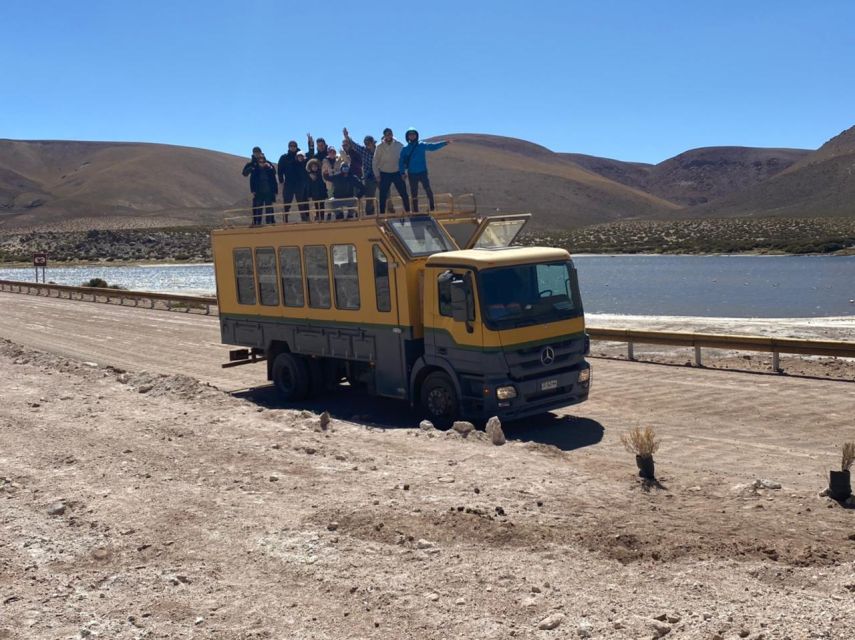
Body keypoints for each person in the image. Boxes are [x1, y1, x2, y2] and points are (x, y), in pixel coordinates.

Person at [400, 128, 451, 212]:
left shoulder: (422, 145)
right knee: (414, 192)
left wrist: (444, 143)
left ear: (416, 135)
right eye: (410, 135)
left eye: (413, 134)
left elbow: (433, 147)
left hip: (422, 172)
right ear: (407, 137)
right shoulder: (405, 148)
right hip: (412, 173)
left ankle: (432, 207)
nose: (412, 136)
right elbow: (401, 161)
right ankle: (415, 211)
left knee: (428, 189)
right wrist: (402, 172)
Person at [372, 128, 410, 214]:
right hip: (384, 173)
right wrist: (377, 175)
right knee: (383, 194)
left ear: (392, 134)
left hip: (397, 172)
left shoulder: (399, 145)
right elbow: (375, 161)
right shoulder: (379, 147)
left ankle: (408, 212)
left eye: (390, 134)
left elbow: (405, 159)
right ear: (384, 136)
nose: (388, 136)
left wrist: (404, 172)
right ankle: (382, 213)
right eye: (387, 134)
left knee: (403, 193)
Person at [277, 135, 313, 222]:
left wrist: (311, 144)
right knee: (287, 202)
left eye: (294, 146)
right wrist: (281, 181)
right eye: (291, 146)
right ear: (288, 147)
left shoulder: (301, 155)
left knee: (302, 202)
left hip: (300, 183)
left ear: (296, 146)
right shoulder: (284, 157)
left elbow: (310, 154)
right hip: (288, 183)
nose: (293, 147)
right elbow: (280, 170)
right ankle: (285, 220)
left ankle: (305, 219)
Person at [343, 128, 377, 214]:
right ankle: (370, 213)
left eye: (369, 143)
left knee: (386, 195)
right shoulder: (363, 150)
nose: (367, 145)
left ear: (373, 142)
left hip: (380, 174)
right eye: (366, 143)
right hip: (369, 177)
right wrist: (346, 136)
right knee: (369, 196)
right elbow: (353, 144)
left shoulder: (379, 150)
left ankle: (386, 212)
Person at [241, 147, 278, 225]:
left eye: (258, 152)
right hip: (257, 190)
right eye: (255, 152)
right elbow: (244, 173)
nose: (257, 154)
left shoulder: (267, 162)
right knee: (257, 207)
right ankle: (256, 222)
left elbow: (274, 173)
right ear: (253, 153)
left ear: (261, 152)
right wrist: (250, 169)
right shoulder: (251, 163)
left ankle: (271, 221)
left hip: (268, 189)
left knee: (269, 207)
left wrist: (269, 167)